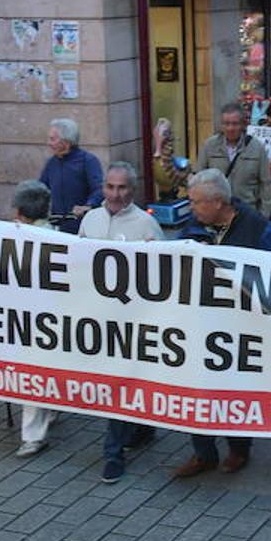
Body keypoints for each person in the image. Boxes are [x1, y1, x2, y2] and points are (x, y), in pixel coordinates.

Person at [174, 169, 271, 477]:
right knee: (196, 387)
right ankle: (203, 452)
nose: (191, 208)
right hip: (200, 323)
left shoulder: (259, 230)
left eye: (196, 202)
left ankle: (238, 449)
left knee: (233, 388)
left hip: (240, 326)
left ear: (218, 202)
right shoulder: (194, 226)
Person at [82, 163, 167, 481]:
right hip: (97, 317)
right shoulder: (89, 220)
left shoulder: (147, 225)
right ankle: (143, 428)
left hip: (133, 320)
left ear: (133, 189)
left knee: (120, 383)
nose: (115, 195)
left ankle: (112, 453)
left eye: (122, 188)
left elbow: (162, 275)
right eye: (110, 187)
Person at [9, 180, 65, 458]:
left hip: (30, 320)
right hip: (53, 319)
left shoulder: (16, 239)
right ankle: (50, 410)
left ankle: (33, 435)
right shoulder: (58, 237)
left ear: (19, 212)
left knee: (29, 378)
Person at [195, 102, 271, 217]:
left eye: (235, 124)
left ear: (243, 125)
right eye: (226, 124)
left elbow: (266, 184)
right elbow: (200, 179)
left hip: (247, 213)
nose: (230, 128)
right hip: (216, 213)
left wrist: (264, 216)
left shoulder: (257, 148)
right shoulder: (209, 146)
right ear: (221, 125)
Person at [39, 118, 103, 233]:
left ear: (66, 141)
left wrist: (88, 206)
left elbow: (99, 189)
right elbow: (40, 190)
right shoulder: (51, 163)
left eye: (53, 139)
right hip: (58, 227)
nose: (49, 143)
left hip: (83, 226)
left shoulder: (88, 161)